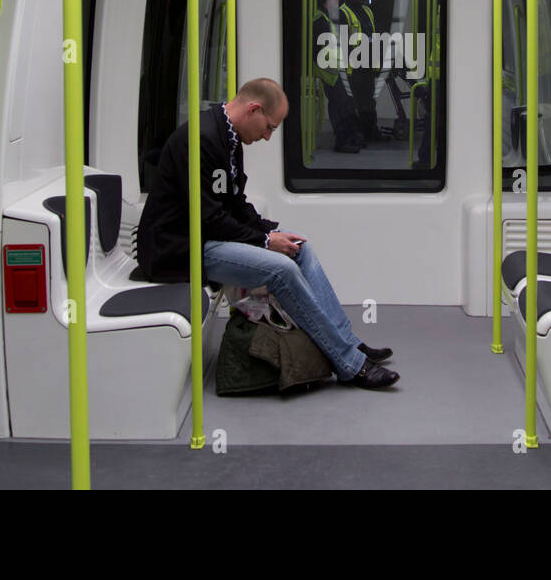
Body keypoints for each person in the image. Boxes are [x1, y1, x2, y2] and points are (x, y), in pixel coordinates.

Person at [136, 78, 399, 389]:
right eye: (269, 127)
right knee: (281, 269)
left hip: (206, 236)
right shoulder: (202, 139)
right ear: (254, 109)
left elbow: (233, 201)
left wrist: (270, 232)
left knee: (300, 248)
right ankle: (350, 365)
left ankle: (348, 341)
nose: (266, 136)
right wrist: (264, 242)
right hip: (178, 247)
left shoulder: (228, 138)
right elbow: (209, 217)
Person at [312, 0, 361, 154]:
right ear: (326, 1)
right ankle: (342, 142)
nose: (337, 1)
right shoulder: (319, 20)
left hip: (334, 70)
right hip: (329, 73)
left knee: (343, 106)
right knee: (339, 108)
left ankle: (348, 138)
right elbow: (317, 51)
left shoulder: (325, 18)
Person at [340, 0, 381, 144]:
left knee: (369, 100)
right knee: (354, 103)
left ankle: (371, 132)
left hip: (368, 64)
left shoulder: (367, 11)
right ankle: (357, 135)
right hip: (353, 67)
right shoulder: (343, 13)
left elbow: (373, 36)